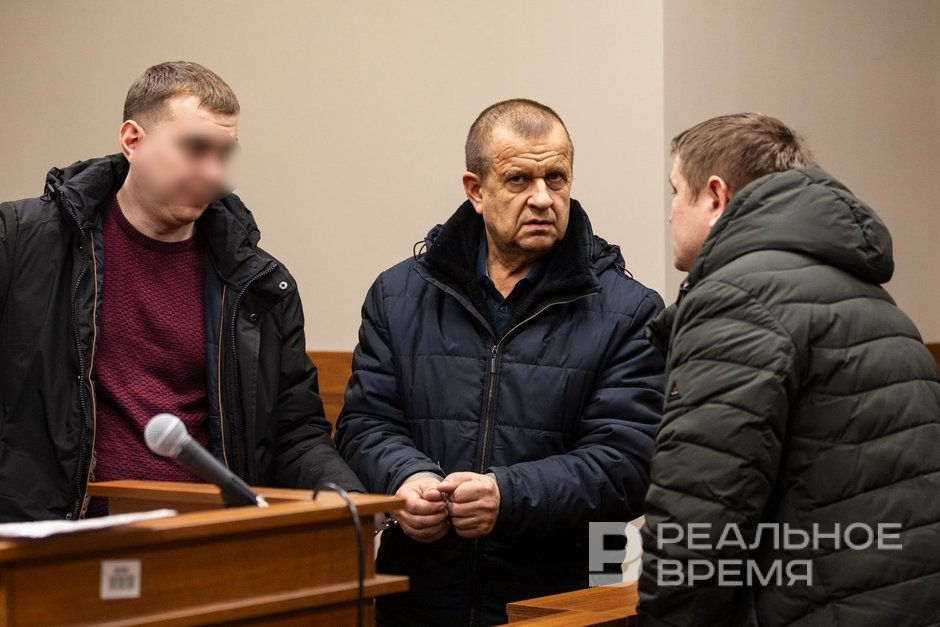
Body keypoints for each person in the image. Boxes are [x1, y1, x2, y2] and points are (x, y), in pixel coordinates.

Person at [336, 98, 666, 626]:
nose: (542, 198)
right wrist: (406, 478)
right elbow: (365, 424)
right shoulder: (398, 295)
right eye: (518, 180)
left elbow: (626, 463)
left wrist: (507, 496)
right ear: (475, 190)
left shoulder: (629, 310)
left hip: (561, 599)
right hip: (420, 594)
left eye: (556, 178)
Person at [0, 61, 363, 522]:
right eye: (195, 148)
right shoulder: (21, 242)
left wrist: (350, 500)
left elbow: (294, 431)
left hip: (202, 539)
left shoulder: (258, 284)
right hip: (53, 536)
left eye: (224, 153)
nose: (213, 172)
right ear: (132, 140)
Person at [639, 113, 940, 626]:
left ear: (715, 197)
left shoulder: (737, 301)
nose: (669, 214)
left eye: (675, 192)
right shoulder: (872, 299)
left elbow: (699, 514)